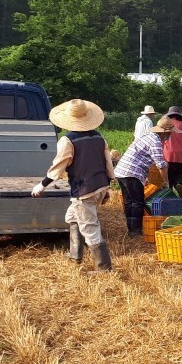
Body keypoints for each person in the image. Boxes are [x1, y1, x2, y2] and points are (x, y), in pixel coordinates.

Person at [31, 99, 115, 272]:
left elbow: (59, 166)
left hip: (84, 190)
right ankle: (75, 253)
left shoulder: (67, 141)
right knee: (72, 217)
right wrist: (108, 185)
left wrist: (42, 185)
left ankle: (104, 268)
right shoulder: (99, 137)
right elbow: (108, 162)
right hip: (99, 186)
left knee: (90, 228)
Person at [114, 116, 177, 236]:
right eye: (170, 133)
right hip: (132, 172)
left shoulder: (147, 136)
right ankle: (136, 231)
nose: (170, 135)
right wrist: (166, 182)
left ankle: (131, 229)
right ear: (166, 132)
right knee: (138, 202)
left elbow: (145, 159)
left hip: (122, 171)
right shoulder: (156, 141)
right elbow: (161, 165)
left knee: (129, 201)